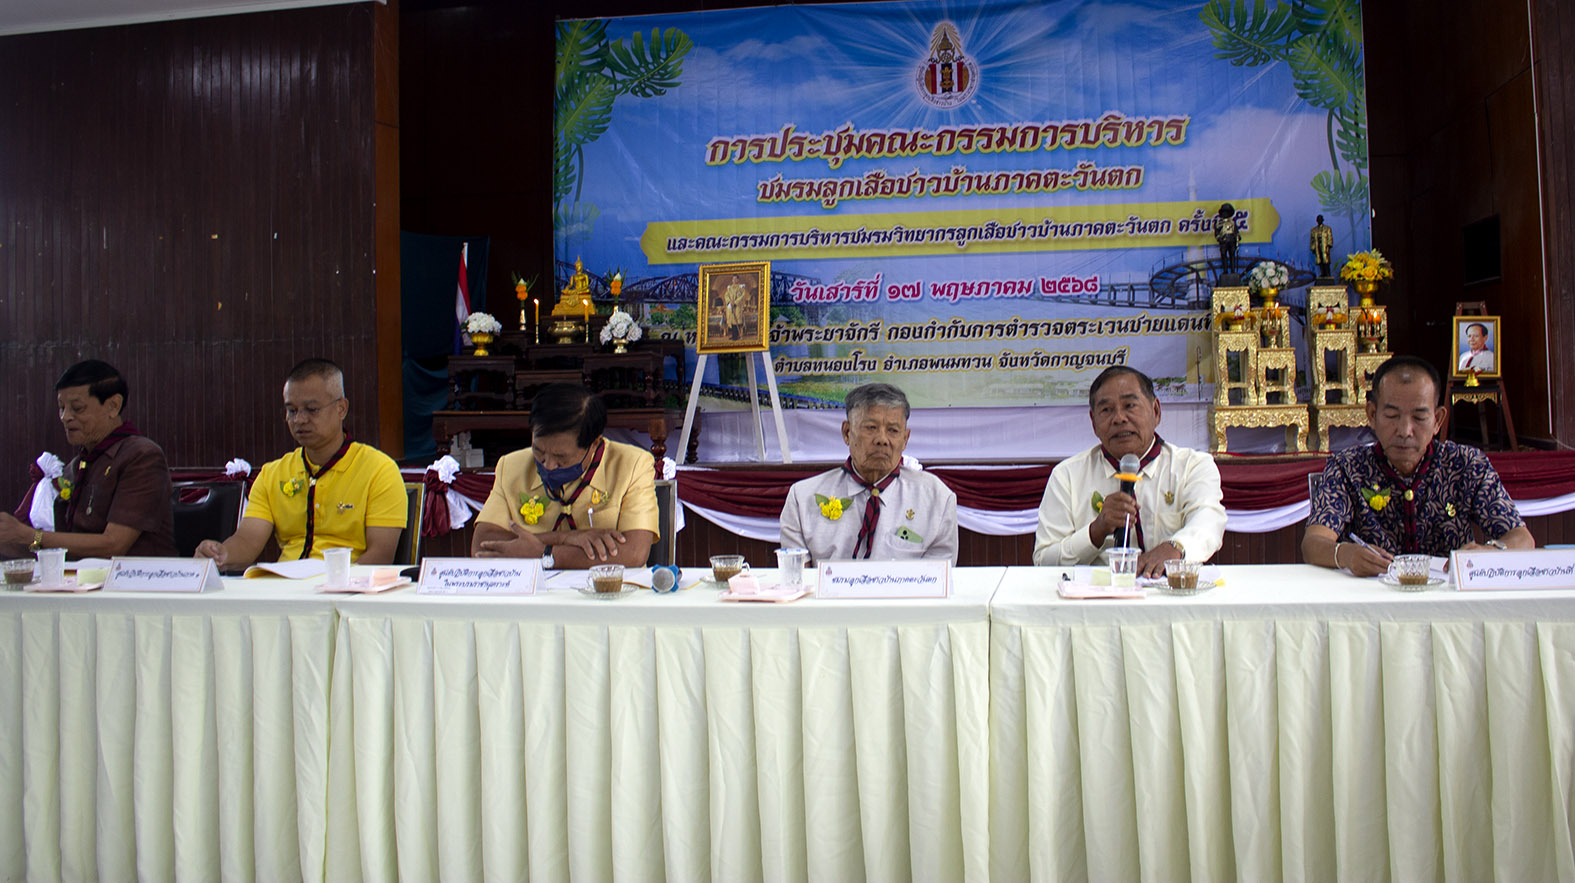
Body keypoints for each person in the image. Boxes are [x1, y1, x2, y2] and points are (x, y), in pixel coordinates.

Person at [1304, 355, 1532, 575]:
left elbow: (1522, 538)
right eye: (1392, 416)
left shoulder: (1466, 465)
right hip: (1370, 594)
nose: (1405, 431)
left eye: (1419, 418)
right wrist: (1345, 554)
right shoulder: (1347, 467)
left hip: (1446, 595)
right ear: (1372, 415)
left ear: (1437, 420)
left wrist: (1491, 552)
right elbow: (1313, 542)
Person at [196, 359, 407, 567]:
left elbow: (381, 555)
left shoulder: (379, 470)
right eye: (292, 410)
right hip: (284, 584)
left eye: (311, 409)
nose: (299, 420)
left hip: (347, 583)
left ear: (341, 408)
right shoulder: (273, 474)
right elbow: (247, 541)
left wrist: (335, 582)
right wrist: (221, 554)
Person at [1033, 366, 1226, 577]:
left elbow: (1209, 522)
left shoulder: (1192, 466)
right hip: (1093, 594)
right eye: (1106, 410)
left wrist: (1175, 548)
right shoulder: (1067, 476)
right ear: (1093, 422)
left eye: (1130, 406)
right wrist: (1096, 531)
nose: (1119, 418)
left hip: (1169, 591)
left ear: (1156, 411)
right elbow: (1044, 560)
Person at [0, 360, 177, 558]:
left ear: (113, 406)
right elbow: (59, 546)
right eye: (61, 408)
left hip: (136, 576)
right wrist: (10, 540)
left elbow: (114, 545)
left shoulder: (142, 456)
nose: (65, 417)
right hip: (79, 575)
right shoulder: (76, 466)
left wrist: (30, 536)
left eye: (77, 408)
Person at [471, 383, 658, 567]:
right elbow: (482, 545)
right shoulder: (511, 466)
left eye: (561, 458)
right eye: (539, 452)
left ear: (594, 443)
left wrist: (542, 554)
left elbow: (634, 553)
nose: (548, 465)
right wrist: (564, 538)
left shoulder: (632, 465)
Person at [779, 383, 958, 563]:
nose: (882, 439)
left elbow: (937, 575)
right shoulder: (803, 498)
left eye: (893, 430)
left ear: (905, 439)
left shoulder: (937, 499)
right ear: (847, 433)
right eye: (871, 427)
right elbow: (797, 577)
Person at [1213, 202, 1240, 275]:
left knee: (1232, 256)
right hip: (1224, 242)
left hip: (1231, 241)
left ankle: (1233, 270)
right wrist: (1219, 239)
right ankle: (1225, 270)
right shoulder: (1219, 224)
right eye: (1224, 212)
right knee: (1223, 255)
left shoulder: (1232, 223)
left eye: (1227, 212)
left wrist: (1237, 238)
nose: (1225, 214)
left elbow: (1236, 232)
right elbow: (1216, 233)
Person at [722, 274, 750, 340]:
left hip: (737, 307)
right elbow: (726, 295)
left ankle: (736, 336)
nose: (734, 280)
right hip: (731, 307)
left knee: (736, 321)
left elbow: (742, 296)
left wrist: (734, 302)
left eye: (735, 279)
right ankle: (733, 335)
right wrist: (729, 302)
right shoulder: (729, 288)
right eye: (733, 279)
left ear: (738, 280)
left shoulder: (741, 288)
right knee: (732, 321)